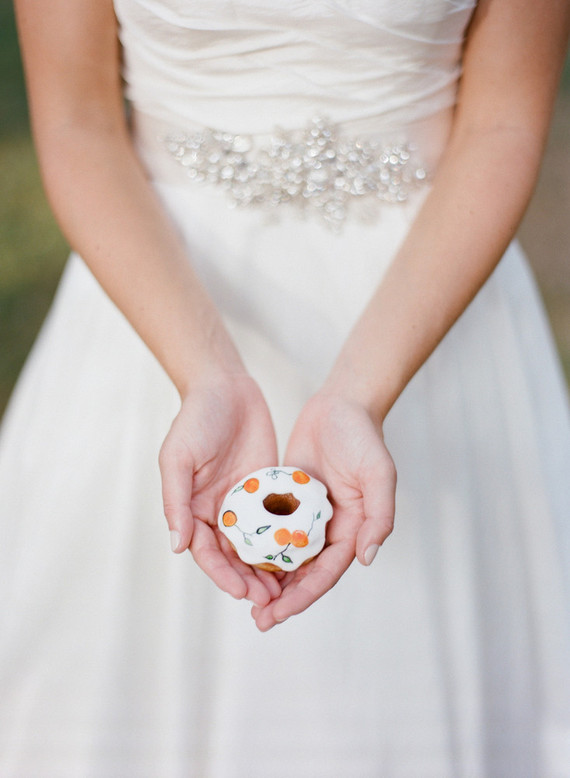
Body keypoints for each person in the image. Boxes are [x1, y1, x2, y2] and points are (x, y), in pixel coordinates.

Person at [1, 0, 569, 774]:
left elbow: (503, 124)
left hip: (427, 302)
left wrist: (361, 392)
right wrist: (203, 371)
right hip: (159, 298)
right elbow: (77, 122)